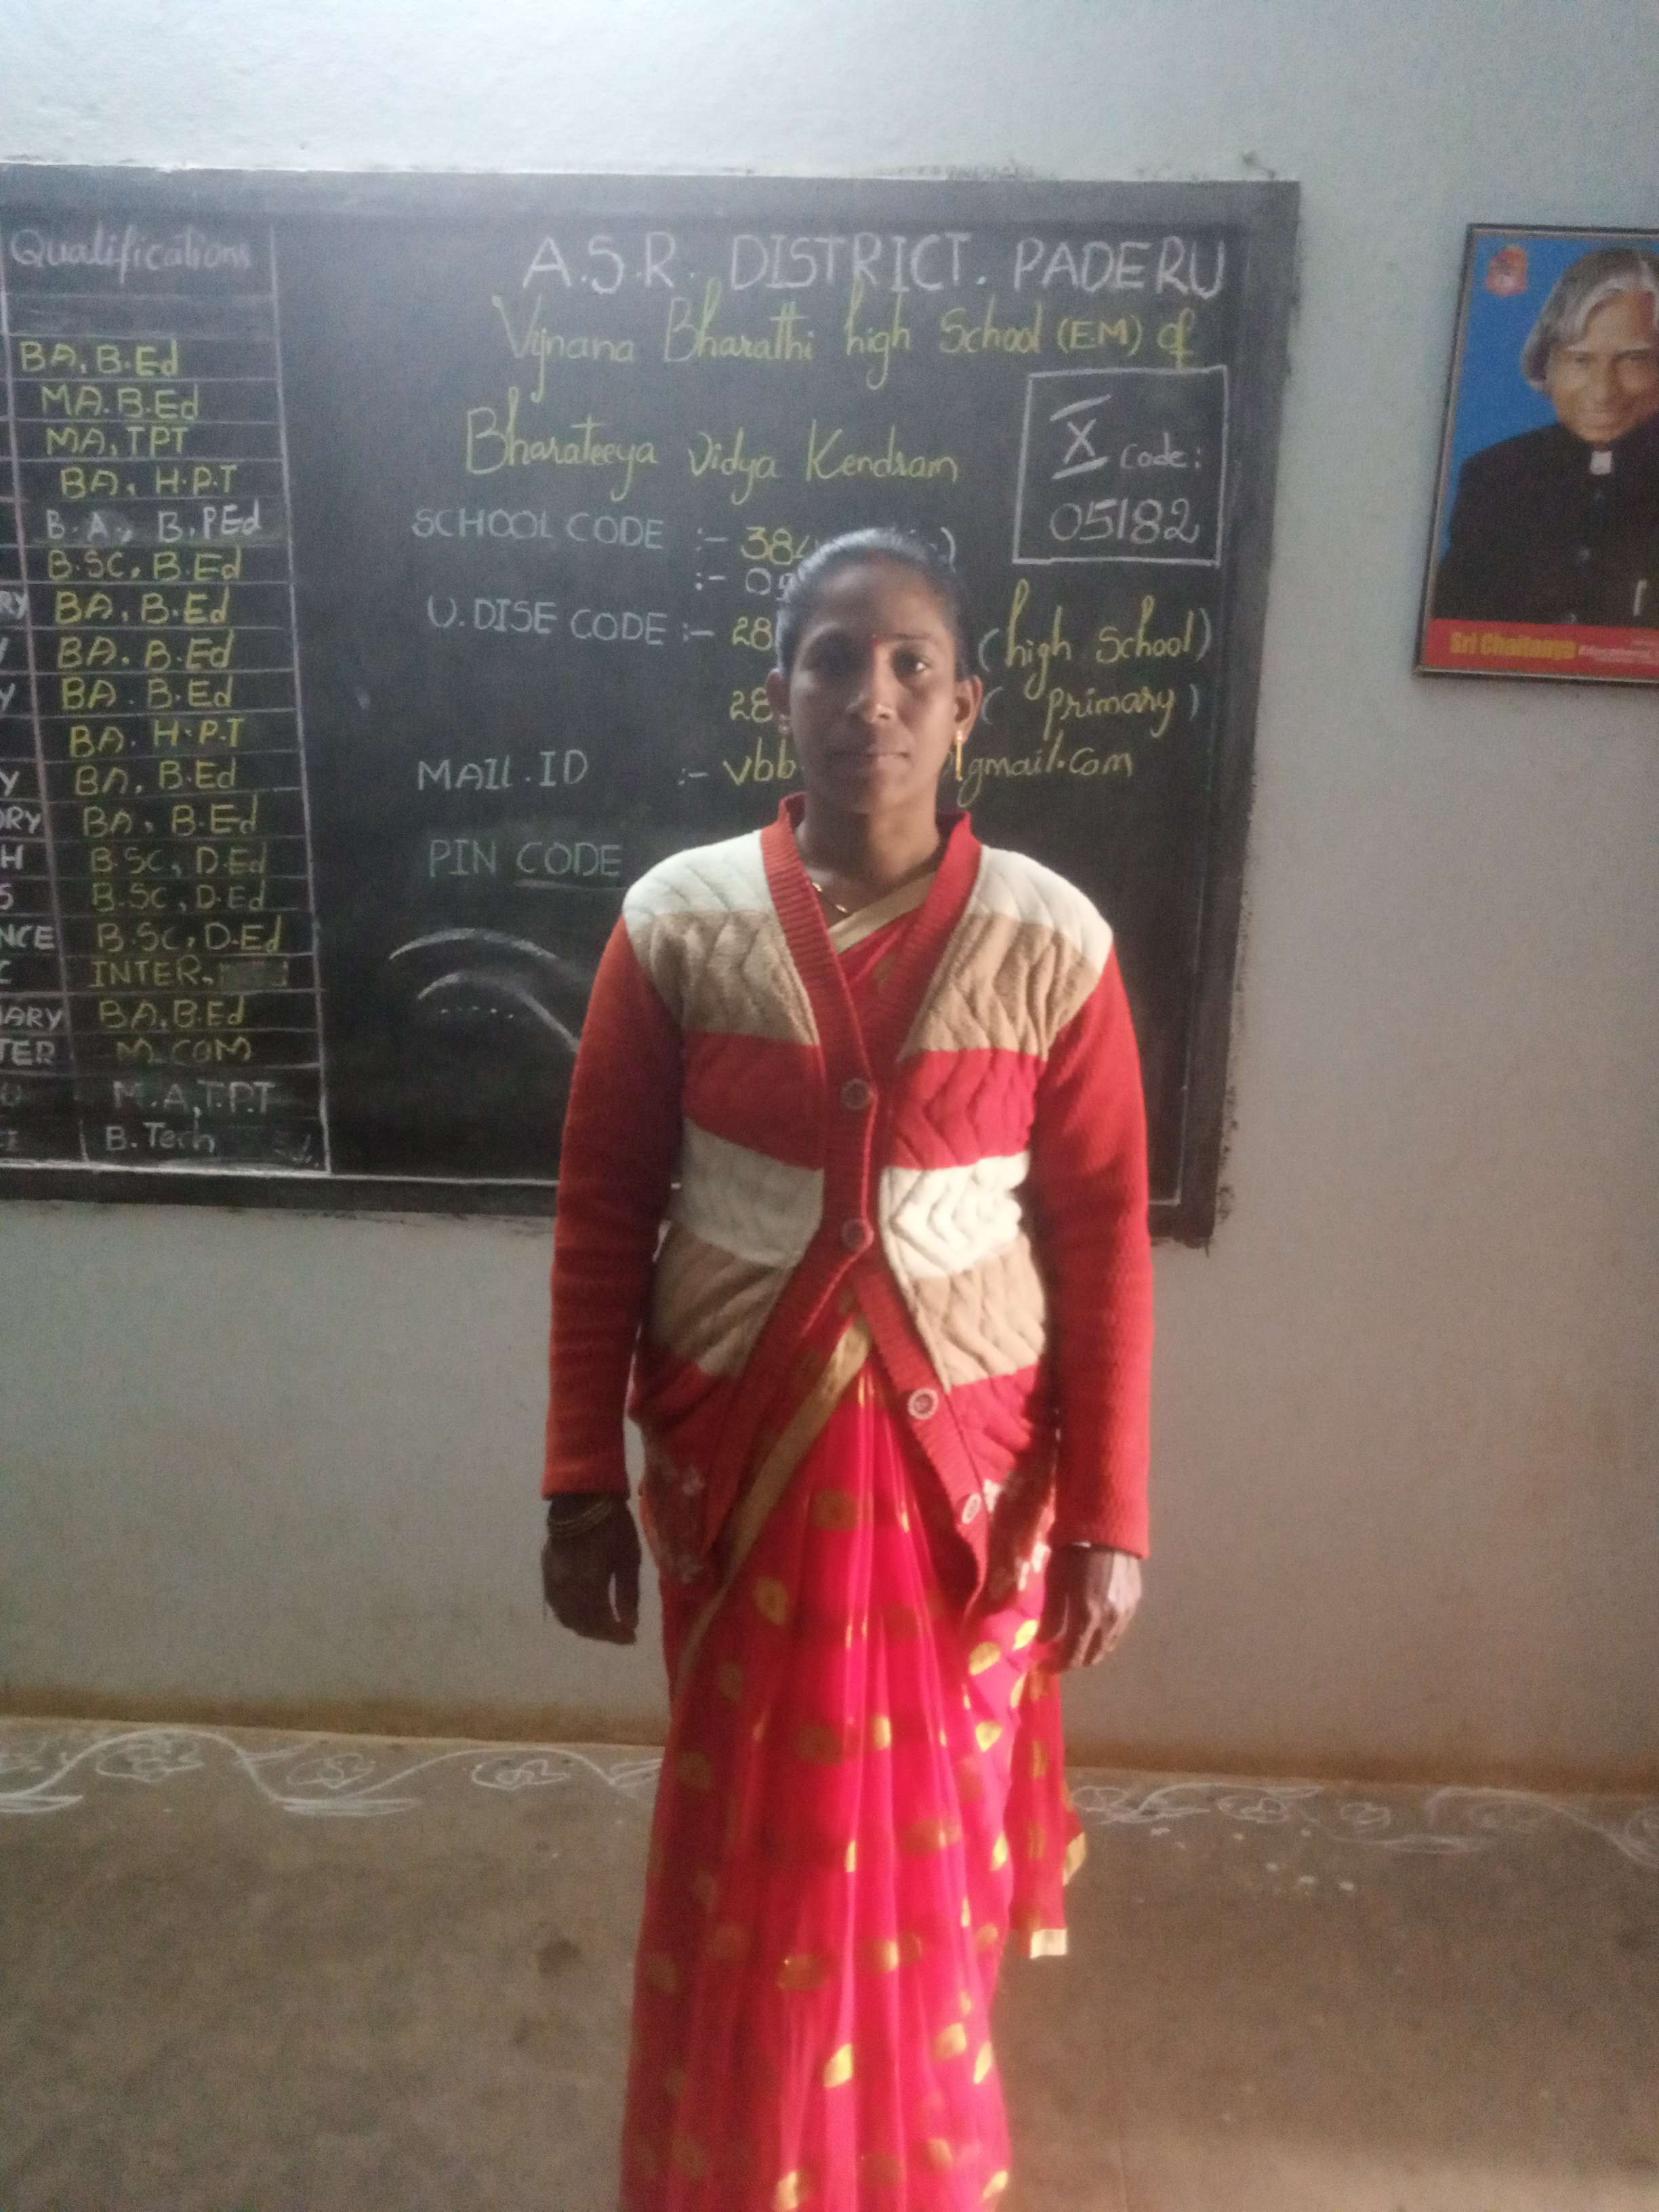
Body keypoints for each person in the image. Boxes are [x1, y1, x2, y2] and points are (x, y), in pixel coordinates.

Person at [540, 527, 1154, 2211]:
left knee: (921, 1865)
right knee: (762, 1854)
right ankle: (742, 2168)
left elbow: (1102, 1237)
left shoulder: (1052, 941)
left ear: (966, 707)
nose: (868, 697)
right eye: (831, 658)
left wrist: (1111, 1511)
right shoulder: (678, 924)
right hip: (736, 1467)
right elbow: (603, 1212)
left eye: (908, 666)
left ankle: (905, 2171)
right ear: (779, 693)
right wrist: (577, 1483)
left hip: (974, 1492)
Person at [1431, 245, 1659, 626]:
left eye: (1633, 359)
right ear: (1548, 364)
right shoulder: (1495, 477)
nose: (1603, 391)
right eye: (1580, 359)